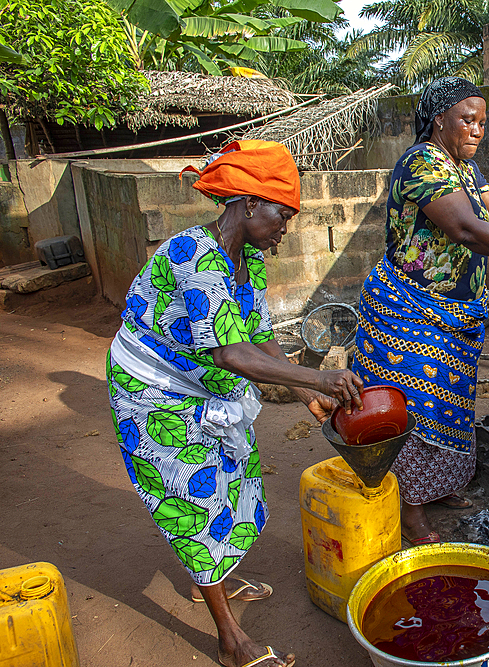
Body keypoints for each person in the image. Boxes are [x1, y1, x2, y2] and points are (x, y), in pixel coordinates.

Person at [106, 140, 364, 667]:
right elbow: (229, 350)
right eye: (281, 215)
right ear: (248, 203)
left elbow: (261, 336)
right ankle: (229, 638)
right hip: (153, 392)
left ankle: (218, 577)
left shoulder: (249, 261)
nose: (284, 230)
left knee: (231, 479)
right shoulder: (191, 254)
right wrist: (320, 377)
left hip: (204, 389)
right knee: (191, 503)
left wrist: (306, 390)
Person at [352, 77, 489, 545]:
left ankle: (438, 485)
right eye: (467, 120)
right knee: (413, 412)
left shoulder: (464, 169)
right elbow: (468, 230)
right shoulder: (420, 163)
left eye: (483, 123)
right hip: (410, 314)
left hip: (454, 315)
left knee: (449, 405)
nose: (477, 131)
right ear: (439, 120)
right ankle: (410, 509)